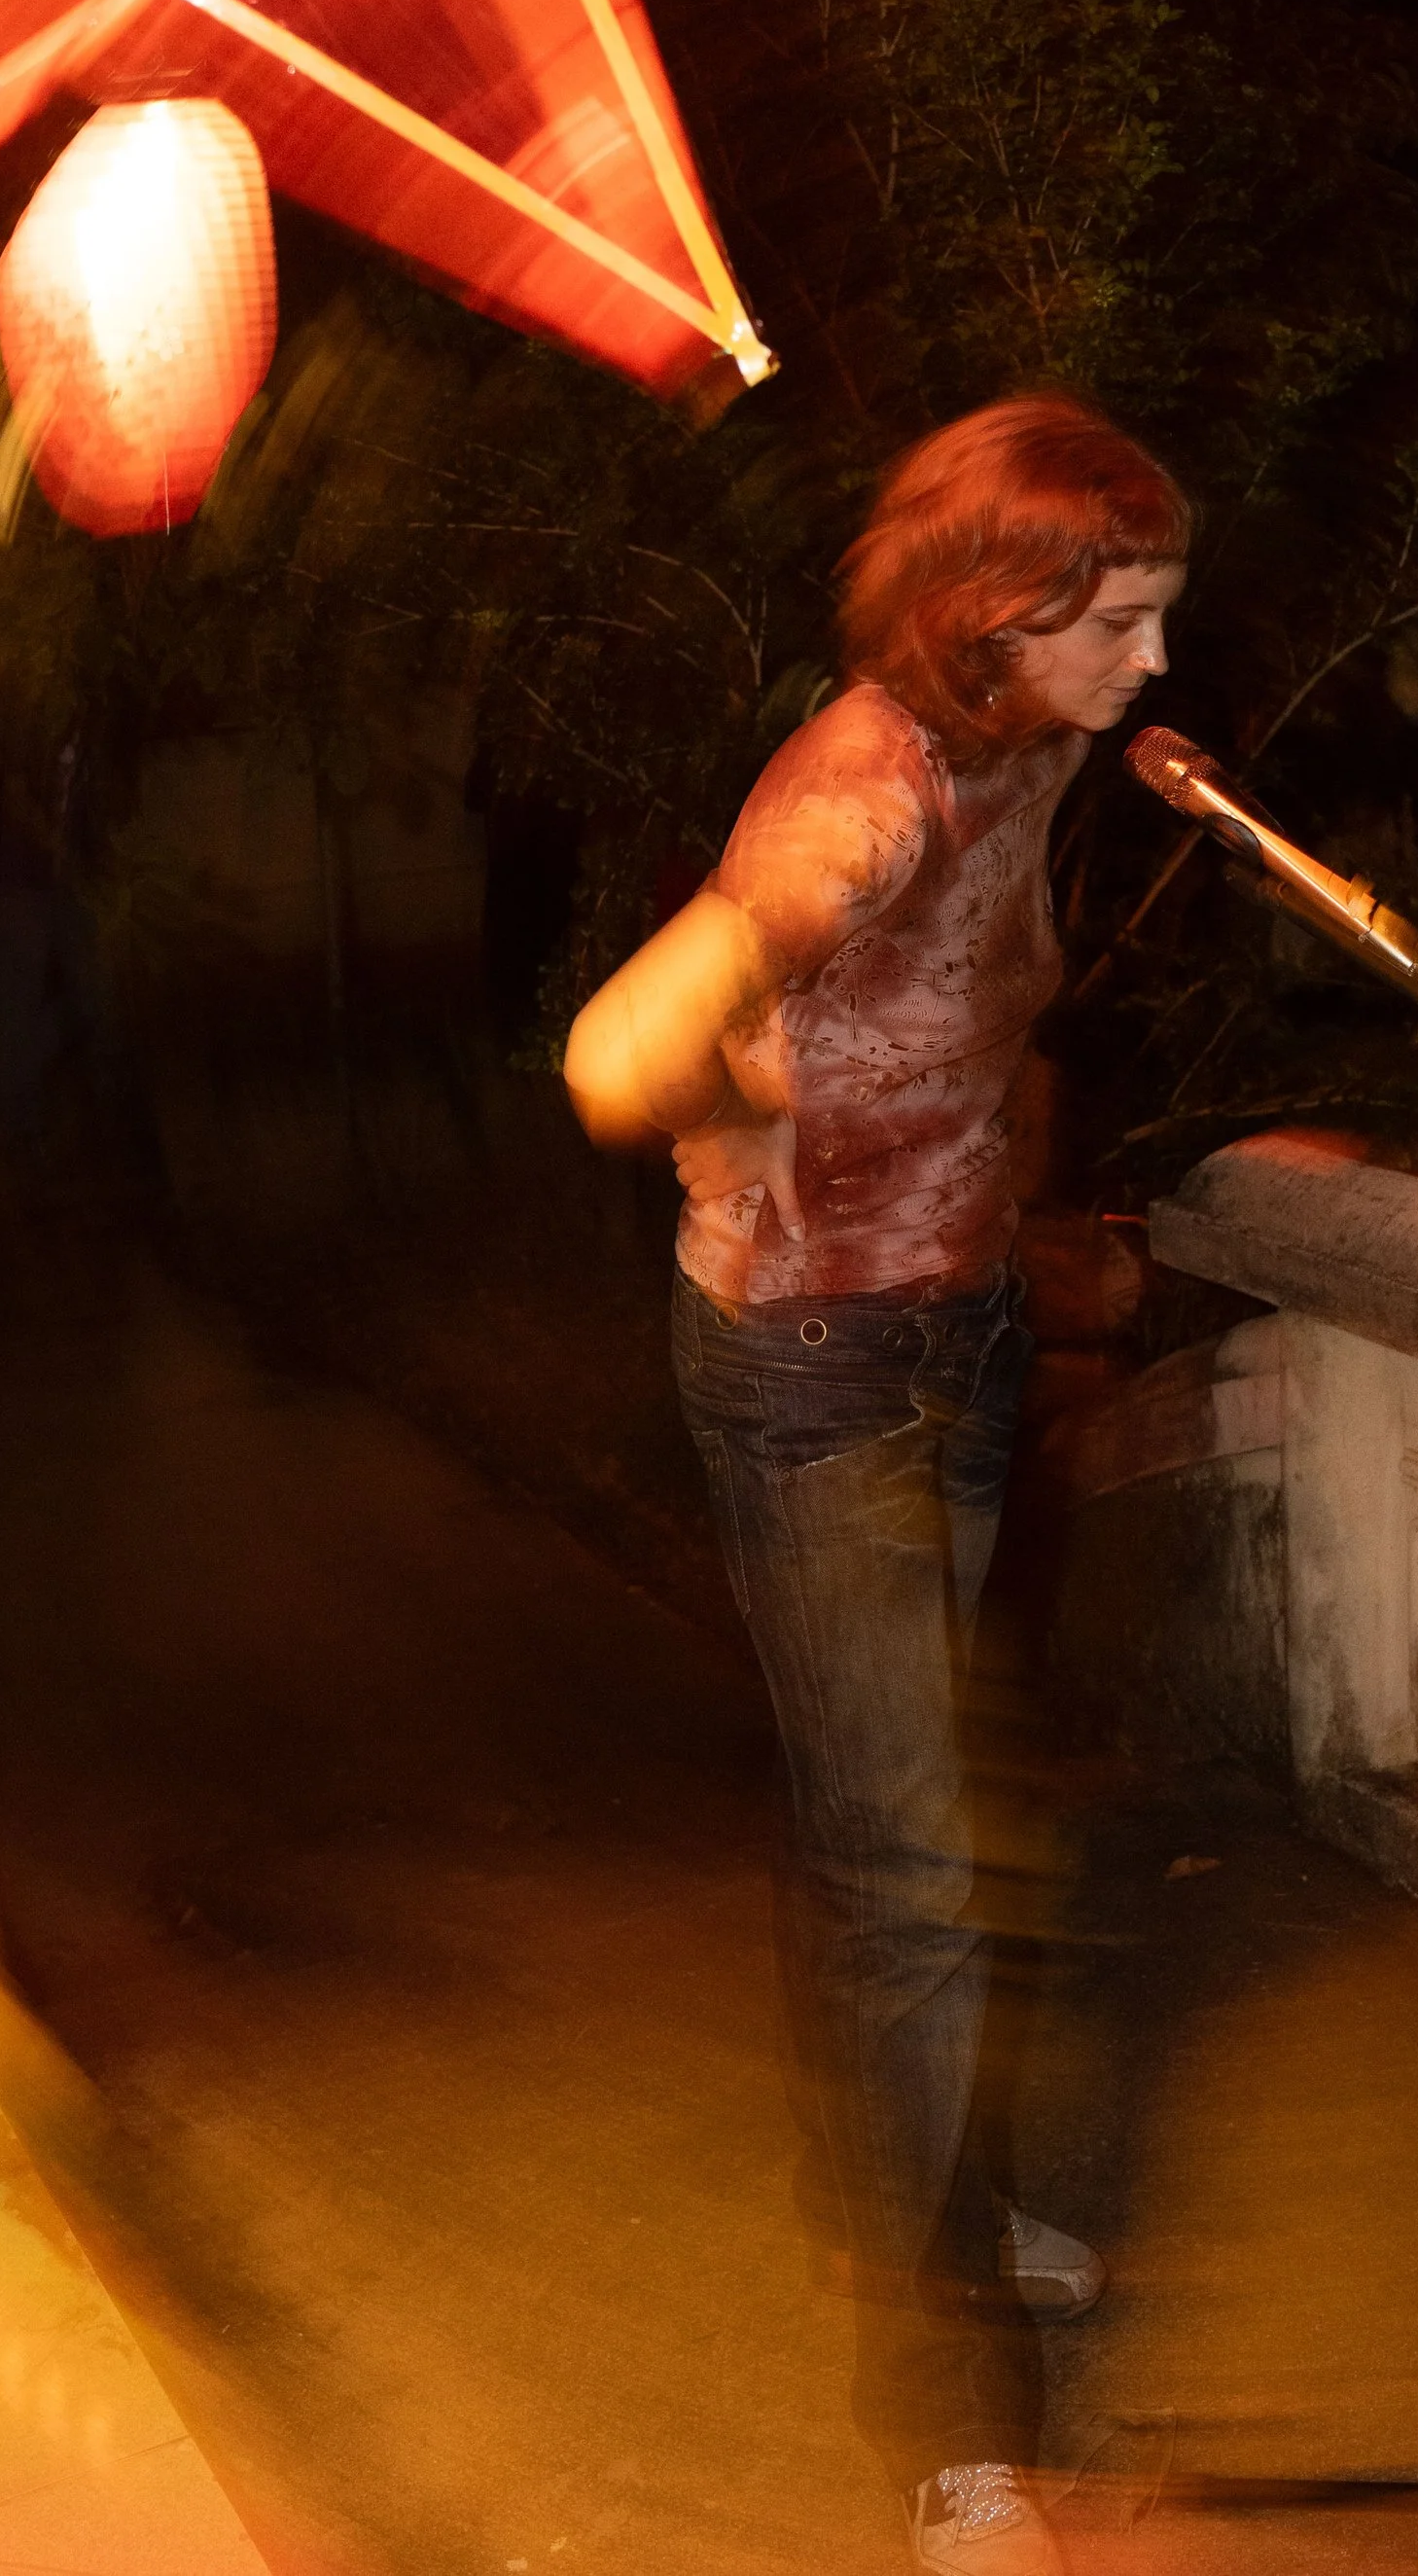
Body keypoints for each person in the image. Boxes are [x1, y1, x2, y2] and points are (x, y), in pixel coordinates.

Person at [565, 393, 1190, 2574]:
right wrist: (707, 988)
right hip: (811, 1369)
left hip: (960, 1339)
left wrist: (1022, 1213)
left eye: (1157, 614)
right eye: (1116, 620)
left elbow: (979, 1032)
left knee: (905, 1835)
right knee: (919, 1876)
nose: (1153, 662)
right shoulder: (861, 797)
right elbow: (619, 1056)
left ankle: (912, 2213)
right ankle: (956, 2433)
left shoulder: (1037, 754)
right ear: (991, 619)